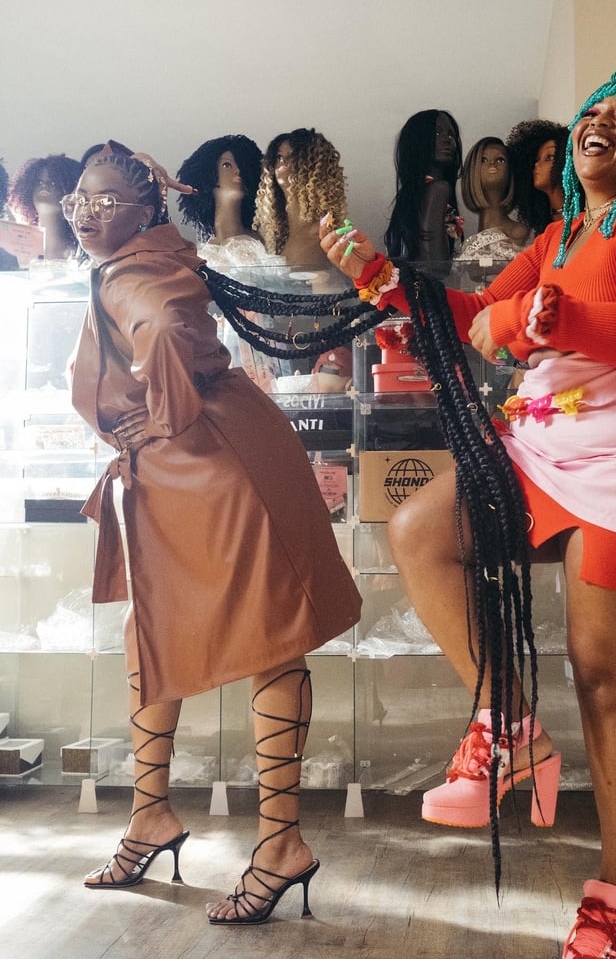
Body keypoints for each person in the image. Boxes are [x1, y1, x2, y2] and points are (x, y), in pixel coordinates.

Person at [322, 67, 616, 958]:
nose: (603, 121)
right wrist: (382, 278)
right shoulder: (560, 234)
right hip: (555, 439)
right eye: (595, 109)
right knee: (421, 529)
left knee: (604, 674)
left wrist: (541, 318)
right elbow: (477, 312)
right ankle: (508, 726)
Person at [65, 146, 361, 923]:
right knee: (156, 629)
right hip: (197, 456)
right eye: (78, 197)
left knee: (267, 637)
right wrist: (162, 422)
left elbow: (164, 325)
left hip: (209, 460)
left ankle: (280, 844)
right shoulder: (145, 258)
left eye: (104, 199)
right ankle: (150, 817)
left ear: (145, 209)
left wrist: (164, 416)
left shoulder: (132, 272)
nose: (85, 210)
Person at [253, 127, 346, 271]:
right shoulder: (275, 239)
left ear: (314, 168)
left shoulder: (324, 238)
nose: (283, 163)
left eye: (293, 158)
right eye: (279, 157)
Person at [384, 109, 464, 277]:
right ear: (418, 140)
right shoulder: (439, 189)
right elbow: (438, 266)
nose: (447, 140)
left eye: (451, 135)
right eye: (437, 133)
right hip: (430, 289)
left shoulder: (411, 195)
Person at [176, 134, 271, 270]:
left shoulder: (264, 243)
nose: (238, 171)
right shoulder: (202, 254)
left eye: (242, 166)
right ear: (209, 175)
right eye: (227, 165)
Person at [454, 136, 531, 263]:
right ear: (472, 171)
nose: (492, 164)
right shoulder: (469, 241)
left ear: (510, 171)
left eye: (500, 159)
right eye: (483, 160)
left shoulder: (519, 233)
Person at [8, 153, 81, 258]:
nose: (44, 186)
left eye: (53, 183)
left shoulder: (81, 254)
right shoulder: (16, 248)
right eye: (39, 182)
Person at [506, 119, 570, 235]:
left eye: (549, 157)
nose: (536, 165)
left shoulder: (585, 221)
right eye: (536, 159)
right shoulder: (543, 229)